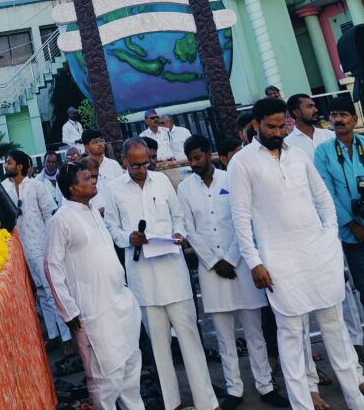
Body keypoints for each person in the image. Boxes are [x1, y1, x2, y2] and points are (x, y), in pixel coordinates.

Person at [228, 97, 364, 410]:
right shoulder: (242, 162)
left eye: (282, 126)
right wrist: (255, 262)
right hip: (278, 259)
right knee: (290, 334)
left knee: (335, 329)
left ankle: (356, 401)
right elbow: (240, 218)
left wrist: (329, 237)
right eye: (271, 127)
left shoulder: (299, 155)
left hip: (317, 252)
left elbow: (324, 199)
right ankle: (302, 404)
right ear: (257, 124)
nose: (278, 132)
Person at [104, 138, 219, 410]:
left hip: (173, 273)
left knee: (190, 338)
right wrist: (127, 237)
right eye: (135, 165)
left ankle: (207, 402)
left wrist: (180, 233)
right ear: (123, 161)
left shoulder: (162, 181)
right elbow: (110, 227)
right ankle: (172, 404)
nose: (142, 169)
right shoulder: (113, 189)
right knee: (159, 347)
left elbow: (179, 216)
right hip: (143, 278)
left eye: (146, 163)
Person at [178, 134, 288, 410]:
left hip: (240, 264)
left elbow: (244, 221)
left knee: (254, 332)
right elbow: (189, 228)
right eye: (190, 159)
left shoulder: (231, 179)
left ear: (210, 155)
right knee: (224, 334)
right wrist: (215, 261)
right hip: (210, 269)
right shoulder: (185, 189)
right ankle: (234, 388)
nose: (194, 163)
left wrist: (230, 257)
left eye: (198, 157)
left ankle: (265, 385)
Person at [44, 162, 144, 410]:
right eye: (86, 178)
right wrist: (68, 310)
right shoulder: (62, 219)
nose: (93, 181)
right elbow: (51, 266)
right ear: (73, 189)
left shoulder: (94, 212)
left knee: (130, 371)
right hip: (92, 311)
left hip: (120, 303)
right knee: (104, 380)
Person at [2, 149, 72, 353]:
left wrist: (52, 244)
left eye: (9, 162)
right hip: (20, 248)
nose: (6, 166)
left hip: (41, 245)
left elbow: (49, 215)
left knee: (51, 291)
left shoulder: (36, 186)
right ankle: (52, 335)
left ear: (20, 166)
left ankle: (67, 338)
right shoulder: (4, 188)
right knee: (40, 293)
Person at [314, 93, 364, 300]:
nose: (338, 119)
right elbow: (325, 193)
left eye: (343, 114)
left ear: (354, 119)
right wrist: (353, 226)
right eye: (333, 115)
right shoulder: (323, 152)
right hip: (351, 232)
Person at [285, 94, 335, 161]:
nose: (316, 110)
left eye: (314, 106)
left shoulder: (330, 135)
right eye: (309, 107)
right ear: (297, 113)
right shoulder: (288, 144)